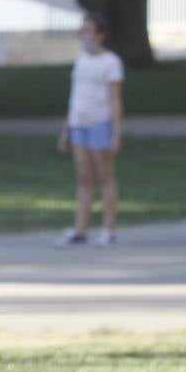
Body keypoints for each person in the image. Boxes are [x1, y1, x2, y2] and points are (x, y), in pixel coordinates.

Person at [55, 13, 124, 246]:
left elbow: (115, 100)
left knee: (104, 176)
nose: (85, 36)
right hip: (79, 124)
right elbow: (75, 99)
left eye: (89, 31)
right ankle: (80, 229)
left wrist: (116, 133)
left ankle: (108, 229)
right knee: (84, 178)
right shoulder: (81, 60)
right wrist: (66, 130)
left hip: (100, 123)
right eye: (82, 31)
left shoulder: (111, 62)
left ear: (101, 35)